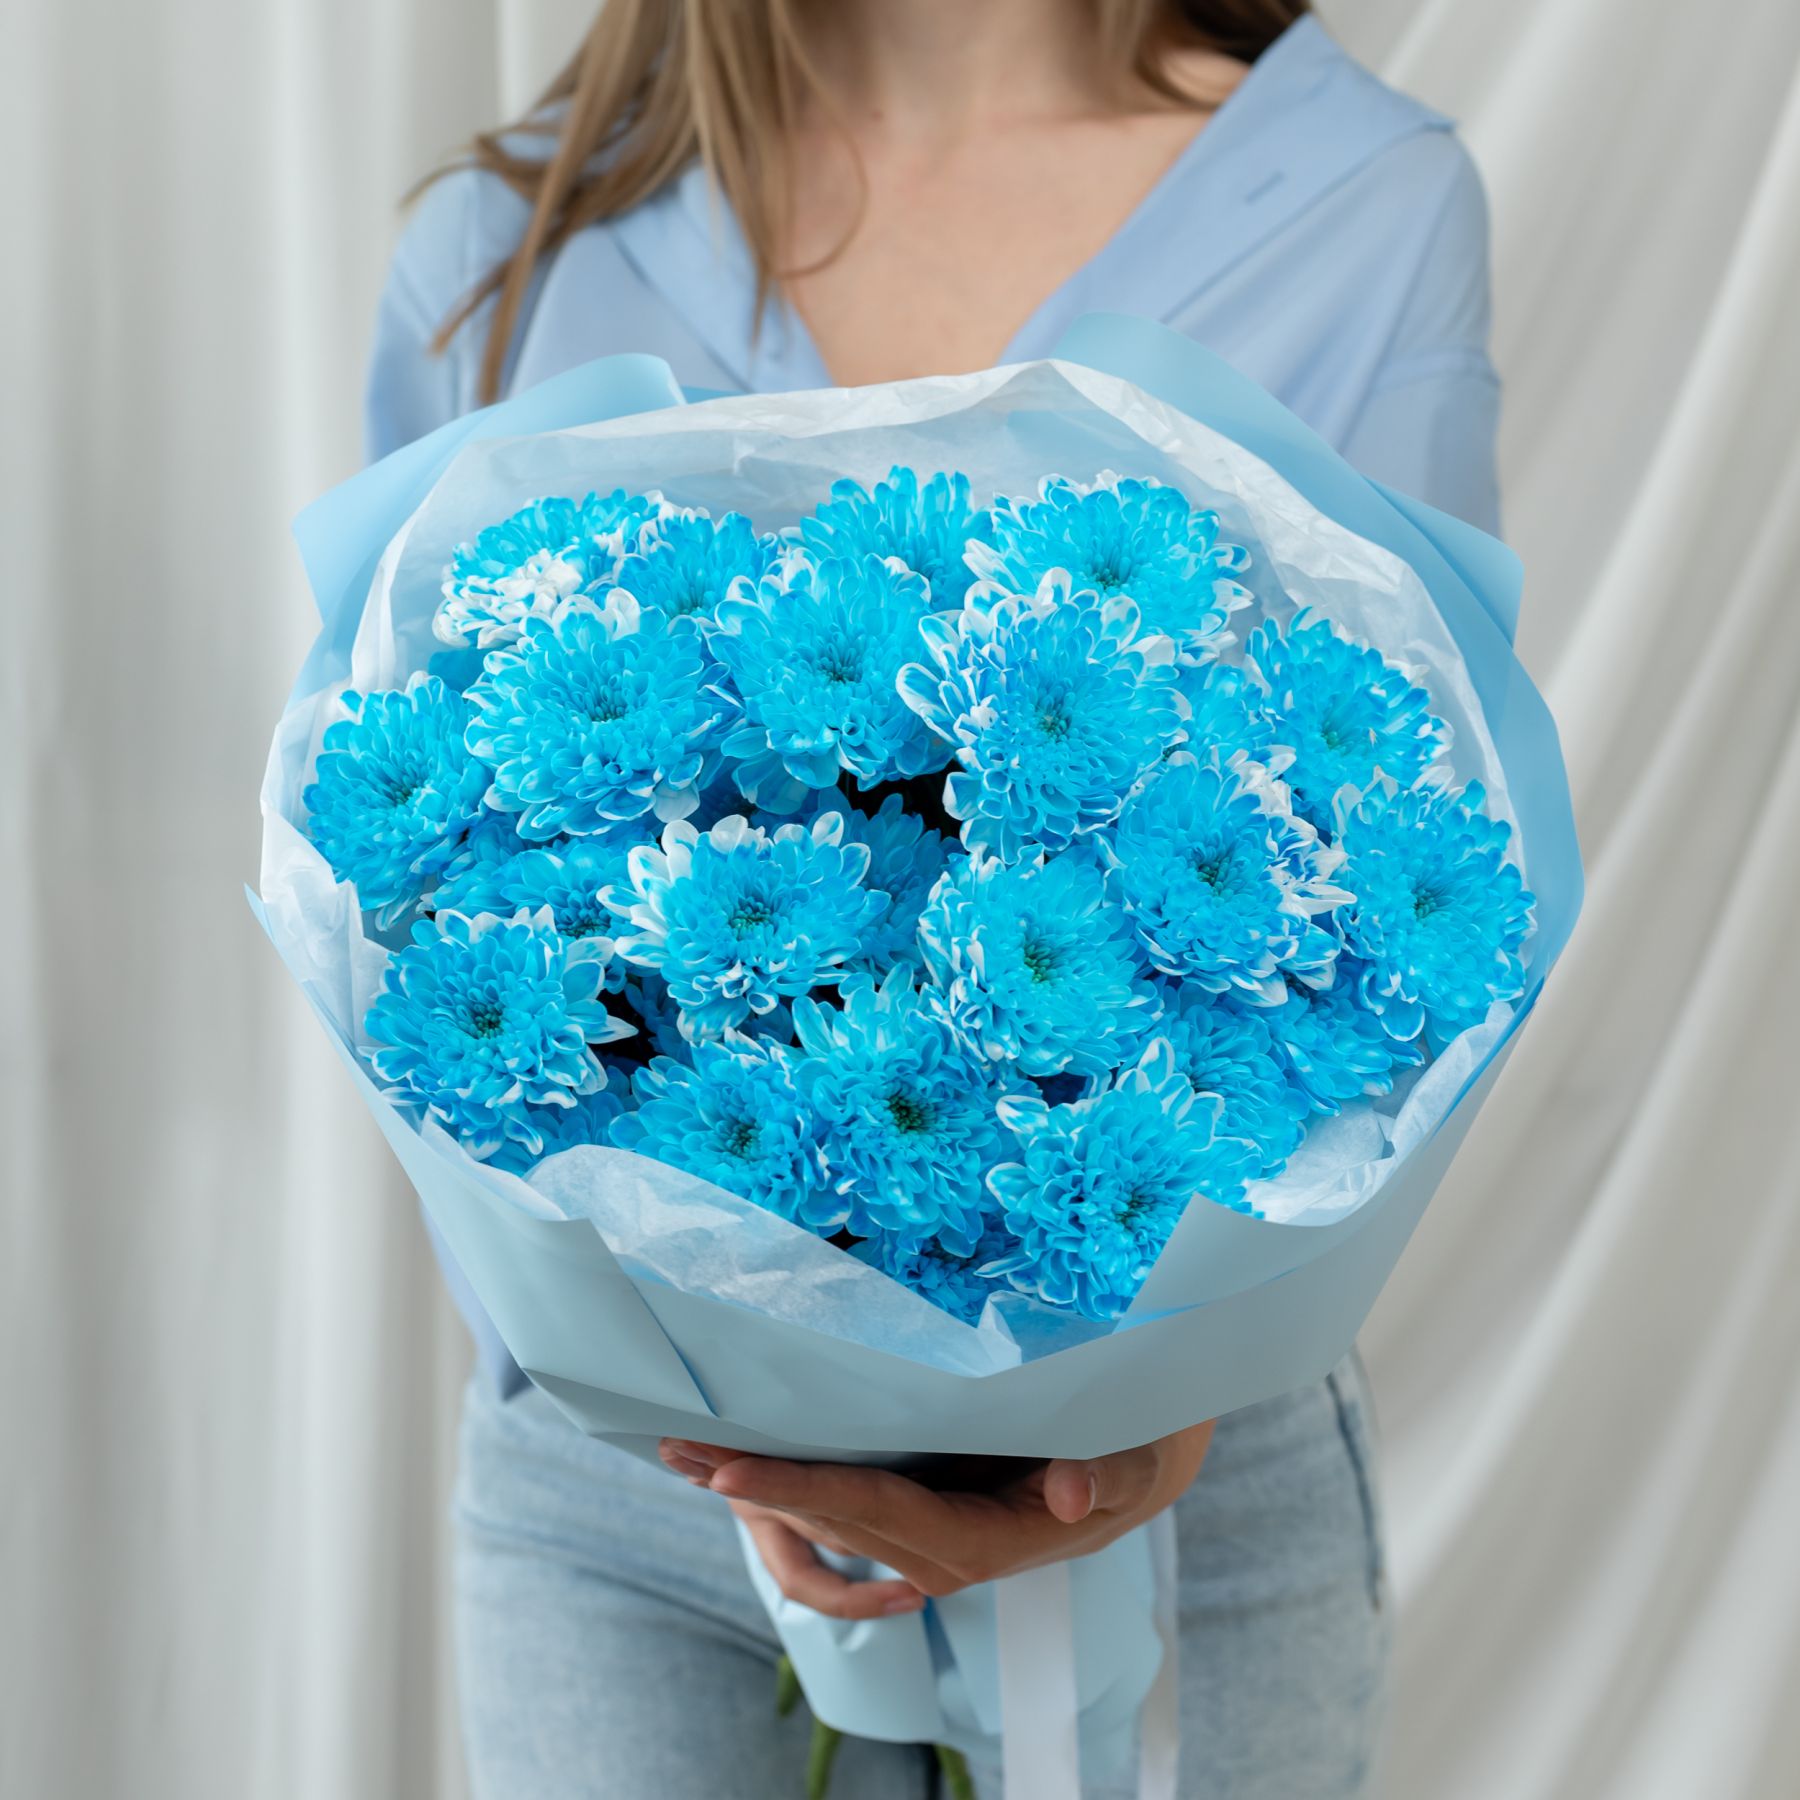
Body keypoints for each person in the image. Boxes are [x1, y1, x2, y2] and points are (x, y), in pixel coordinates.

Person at [367, 3, 1501, 1793]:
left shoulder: (1365, 199)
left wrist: (1148, 1417)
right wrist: (685, 1365)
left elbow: (1416, 837)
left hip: (1178, 1489)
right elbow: (398, 907)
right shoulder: (516, 244)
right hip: (630, 1516)